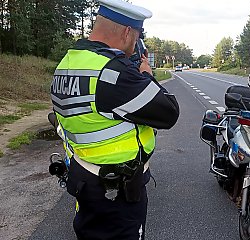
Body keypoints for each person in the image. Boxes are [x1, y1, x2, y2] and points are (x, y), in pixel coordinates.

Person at [49, 0, 179, 239]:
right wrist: (147, 76)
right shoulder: (113, 74)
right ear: (128, 32)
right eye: (137, 36)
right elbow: (169, 112)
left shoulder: (67, 64)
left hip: (85, 178)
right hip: (116, 192)